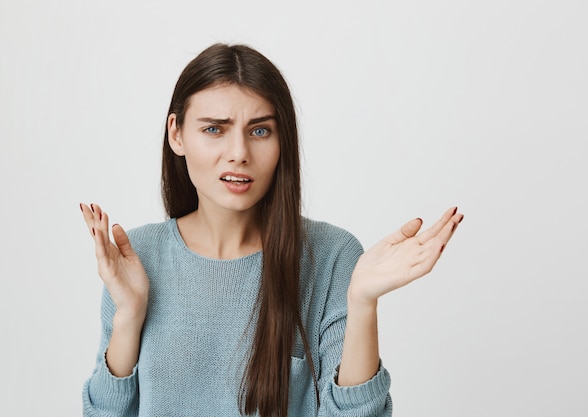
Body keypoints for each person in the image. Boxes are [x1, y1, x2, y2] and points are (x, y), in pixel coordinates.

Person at [80, 43, 464, 417]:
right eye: (215, 129)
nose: (239, 152)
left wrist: (363, 302)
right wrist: (129, 315)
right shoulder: (138, 255)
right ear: (177, 134)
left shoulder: (331, 256)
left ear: (283, 141)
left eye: (260, 131)